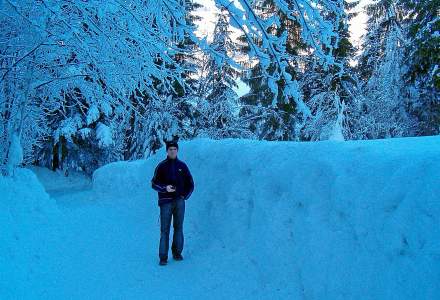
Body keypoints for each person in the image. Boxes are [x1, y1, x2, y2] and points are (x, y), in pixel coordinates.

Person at [151, 138, 194, 266]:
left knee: (178, 227)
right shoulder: (161, 166)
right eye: (170, 149)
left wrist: (184, 196)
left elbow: (191, 184)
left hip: (179, 202)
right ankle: (163, 257)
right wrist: (165, 188)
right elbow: (153, 183)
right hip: (165, 202)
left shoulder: (182, 166)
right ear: (167, 151)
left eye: (175, 149)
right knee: (164, 229)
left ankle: (177, 253)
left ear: (177, 151)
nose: (173, 151)